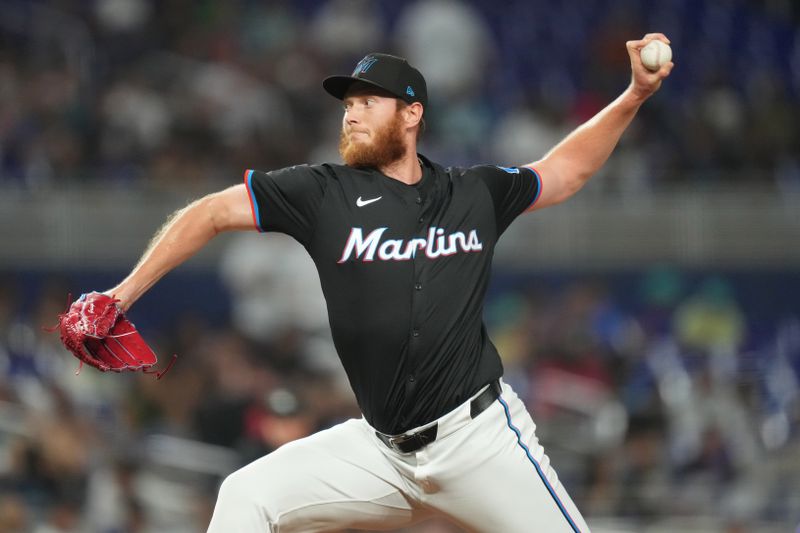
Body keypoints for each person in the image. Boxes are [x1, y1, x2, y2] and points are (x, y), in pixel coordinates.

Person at [105, 35, 673, 532]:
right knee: (245, 496)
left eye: (367, 102)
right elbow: (208, 213)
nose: (350, 115)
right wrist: (119, 296)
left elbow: (565, 172)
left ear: (410, 114)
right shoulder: (321, 193)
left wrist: (634, 96)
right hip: (381, 451)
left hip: (478, 441)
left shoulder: (473, 192)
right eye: (347, 104)